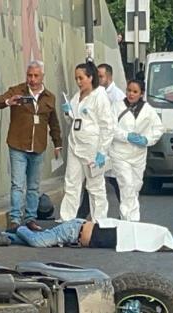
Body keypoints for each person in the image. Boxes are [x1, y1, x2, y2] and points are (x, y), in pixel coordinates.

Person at [0, 60, 62, 232]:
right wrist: (9, 101)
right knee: (17, 184)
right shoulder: (17, 91)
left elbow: (53, 122)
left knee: (33, 186)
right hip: (18, 145)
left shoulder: (49, 97)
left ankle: (30, 218)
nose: (32, 79)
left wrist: (57, 143)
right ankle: (15, 219)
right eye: (29, 75)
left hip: (38, 147)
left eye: (36, 76)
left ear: (42, 76)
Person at [59, 62, 114, 222]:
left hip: (92, 149)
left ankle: (99, 222)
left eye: (81, 78)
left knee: (95, 187)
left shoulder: (99, 96)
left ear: (90, 77)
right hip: (75, 146)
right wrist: (67, 113)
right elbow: (74, 122)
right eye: (76, 78)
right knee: (71, 184)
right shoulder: (77, 97)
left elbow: (107, 126)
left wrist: (102, 152)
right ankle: (66, 220)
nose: (78, 82)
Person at [109, 79, 163, 221]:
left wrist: (147, 139)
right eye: (129, 90)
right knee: (126, 184)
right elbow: (110, 128)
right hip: (120, 153)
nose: (131, 94)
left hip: (138, 155)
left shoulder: (148, 110)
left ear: (141, 94)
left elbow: (159, 129)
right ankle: (130, 220)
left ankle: (130, 219)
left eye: (135, 92)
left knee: (135, 187)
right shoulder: (117, 106)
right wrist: (126, 136)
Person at [0, 218, 173, 253]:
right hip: (73, 230)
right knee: (37, 242)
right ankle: (21, 228)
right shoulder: (132, 233)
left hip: (73, 236)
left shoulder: (132, 239)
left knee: (40, 240)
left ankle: (3, 236)